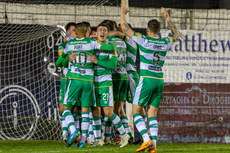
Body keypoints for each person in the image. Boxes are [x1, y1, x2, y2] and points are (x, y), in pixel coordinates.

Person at [120, 6, 179, 153]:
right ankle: (154, 146)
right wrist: (168, 18)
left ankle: (146, 140)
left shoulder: (144, 40)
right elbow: (176, 34)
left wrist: (122, 13)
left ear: (148, 29)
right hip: (159, 81)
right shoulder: (165, 42)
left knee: (136, 112)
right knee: (152, 114)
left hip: (146, 79)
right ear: (159, 31)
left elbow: (124, 28)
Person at [60, 22, 116, 148]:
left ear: (76, 33)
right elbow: (109, 48)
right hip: (89, 82)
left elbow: (59, 62)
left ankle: (73, 130)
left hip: (75, 80)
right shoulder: (91, 43)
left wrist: (67, 58)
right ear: (86, 32)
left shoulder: (70, 44)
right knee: (86, 112)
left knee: (66, 110)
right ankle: (82, 141)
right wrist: (112, 45)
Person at [88, 23, 129, 147]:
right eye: (99, 30)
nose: (102, 32)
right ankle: (97, 139)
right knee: (95, 111)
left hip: (106, 83)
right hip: (93, 83)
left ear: (107, 33)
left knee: (108, 112)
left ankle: (124, 135)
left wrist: (97, 61)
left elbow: (113, 65)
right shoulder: (93, 46)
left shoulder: (112, 47)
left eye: (104, 30)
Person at [101, 20, 134, 142]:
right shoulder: (124, 42)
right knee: (119, 108)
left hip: (113, 76)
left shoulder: (108, 41)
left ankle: (107, 137)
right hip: (124, 75)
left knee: (109, 110)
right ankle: (129, 135)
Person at [55, 22, 77, 142]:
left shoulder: (81, 44)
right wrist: (67, 58)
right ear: (68, 32)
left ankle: (80, 134)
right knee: (63, 108)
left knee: (78, 108)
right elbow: (61, 62)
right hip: (66, 79)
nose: (75, 33)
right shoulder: (62, 47)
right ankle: (65, 134)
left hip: (77, 78)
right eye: (73, 30)